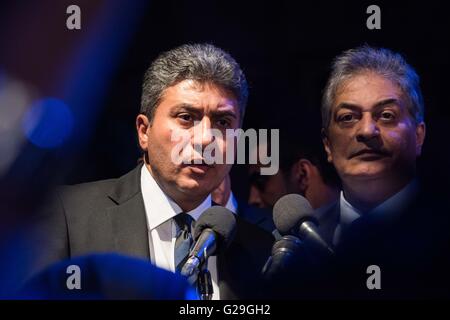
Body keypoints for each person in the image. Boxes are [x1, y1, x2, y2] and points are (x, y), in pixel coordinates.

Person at [30, 44, 273, 300]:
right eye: (186, 117)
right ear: (144, 131)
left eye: (223, 122)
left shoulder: (264, 248)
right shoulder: (67, 215)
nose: (205, 138)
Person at [271, 45, 450, 299]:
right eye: (347, 117)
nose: (367, 130)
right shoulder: (293, 246)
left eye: (386, 115)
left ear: (419, 135)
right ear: (327, 145)